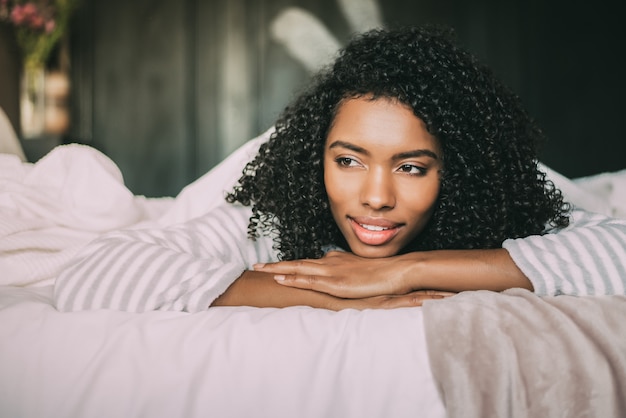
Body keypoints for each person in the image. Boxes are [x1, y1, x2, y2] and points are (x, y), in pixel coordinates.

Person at [54, 26, 626, 313]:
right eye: (348, 161)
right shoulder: (276, 221)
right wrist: (335, 294)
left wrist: (407, 272)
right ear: (318, 157)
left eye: (412, 167)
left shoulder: (497, 203)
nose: (375, 197)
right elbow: (93, 272)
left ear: (455, 174)